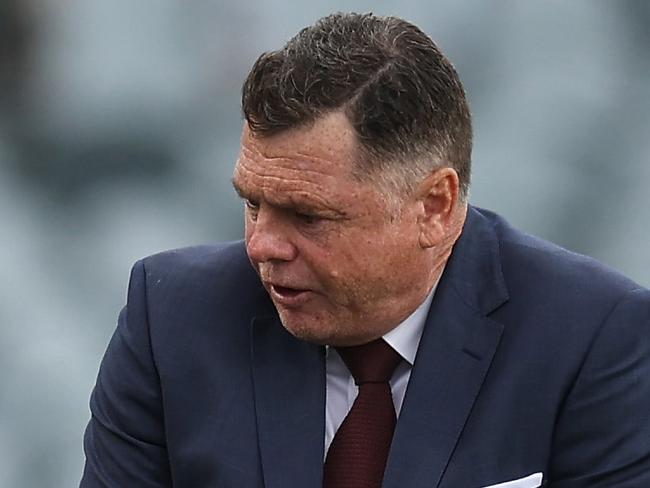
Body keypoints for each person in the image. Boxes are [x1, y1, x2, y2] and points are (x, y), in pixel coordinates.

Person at [80, 12, 650, 488]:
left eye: (308, 216)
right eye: (252, 203)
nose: (261, 245)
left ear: (435, 205)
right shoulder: (170, 319)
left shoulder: (592, 339)